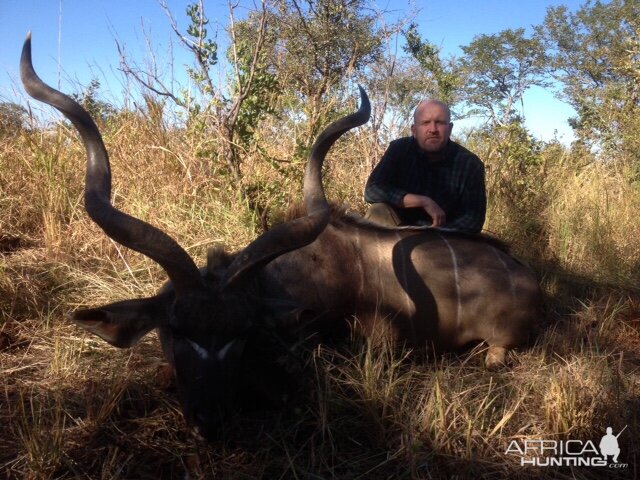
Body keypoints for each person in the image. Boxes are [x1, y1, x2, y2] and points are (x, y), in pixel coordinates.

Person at [364, 99, 486, 234]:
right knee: (378, 211)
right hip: (398, 230)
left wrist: (431, 235)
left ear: (450, 129)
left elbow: (473, 221)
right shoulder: (399, 149)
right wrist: (422, 201)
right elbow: (372, 190)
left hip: (443, 237)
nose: (433, 129)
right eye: (425, 123)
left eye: (439, 123)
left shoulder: (470, 164)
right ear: (414, 130)